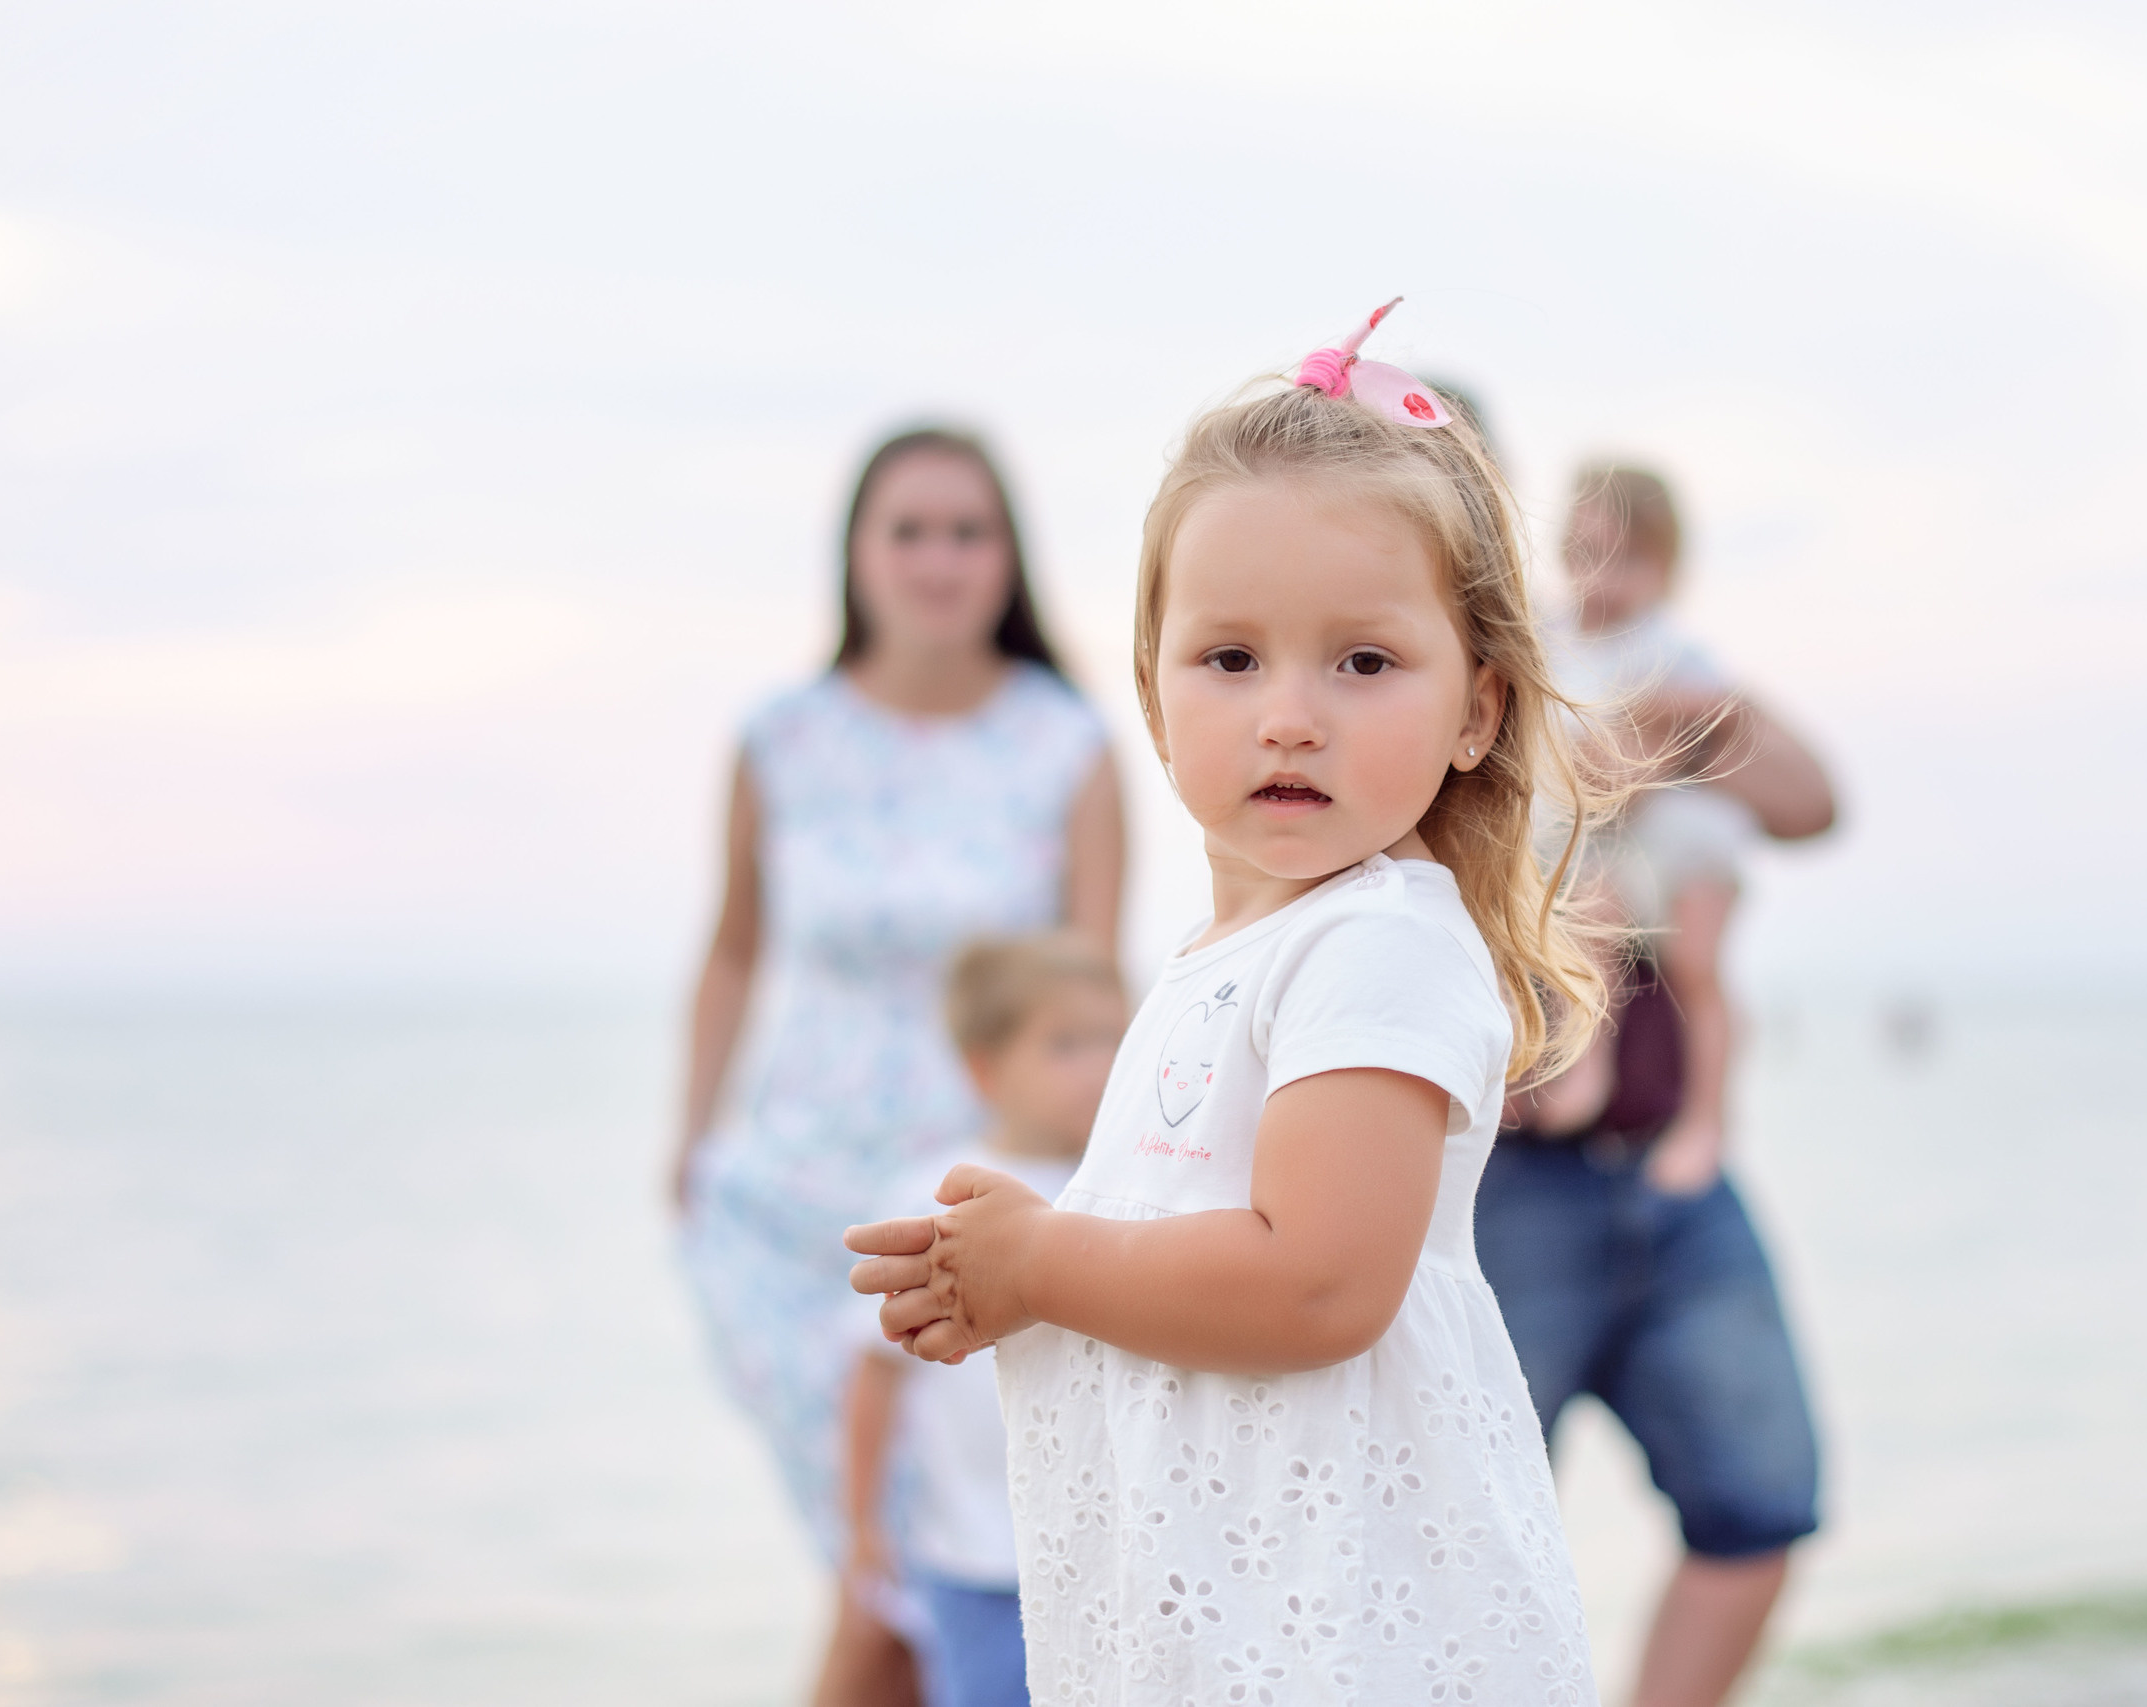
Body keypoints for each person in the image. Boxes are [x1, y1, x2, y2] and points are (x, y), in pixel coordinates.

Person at [846, 301, 1613, 1705]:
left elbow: (1315, 1280)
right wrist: (1000, 1279)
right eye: (1231, 657)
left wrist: (1043, 1263)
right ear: (1152, 694)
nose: (1290, 715)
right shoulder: (1221, 957)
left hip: (1351, 1646)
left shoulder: (1379, 943)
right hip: (1234, 1632)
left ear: (1477, 710)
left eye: (1364, 661)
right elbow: (1174, 1261)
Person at [673, 428, 1125, 1707]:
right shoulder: (782, 738)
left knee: (947, 1568)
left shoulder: (1065, 743)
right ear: (856, 554)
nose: (938, 561)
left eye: (967, 532)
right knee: (870, 1571)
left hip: (975, 1205)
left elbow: (1093, 986)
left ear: (1008, 558)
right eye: (908, 531)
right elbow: (732, 950)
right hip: (791, 1205)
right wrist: (688, 1143)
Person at [1479, 462, 1836, 1707]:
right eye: (1584, 548)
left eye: (1626, 553)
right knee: (1456, 1520)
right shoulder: (1506, 675)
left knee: (1761, 1497)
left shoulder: (1674, 677)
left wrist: (1676, 732)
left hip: (1665, 1167)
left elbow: (1813, 801)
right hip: (1501, 1178)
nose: (1602, 575)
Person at [845, 934, 1127, 1707]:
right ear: (985, 1067)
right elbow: (875, 1373)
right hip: (971, 1553)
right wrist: (863, 1523)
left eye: (1114, 1039)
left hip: (1110, 1551)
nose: (1099, 1066)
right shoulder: (932, 1196)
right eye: (1066, 1044)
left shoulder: (1126, 1189)